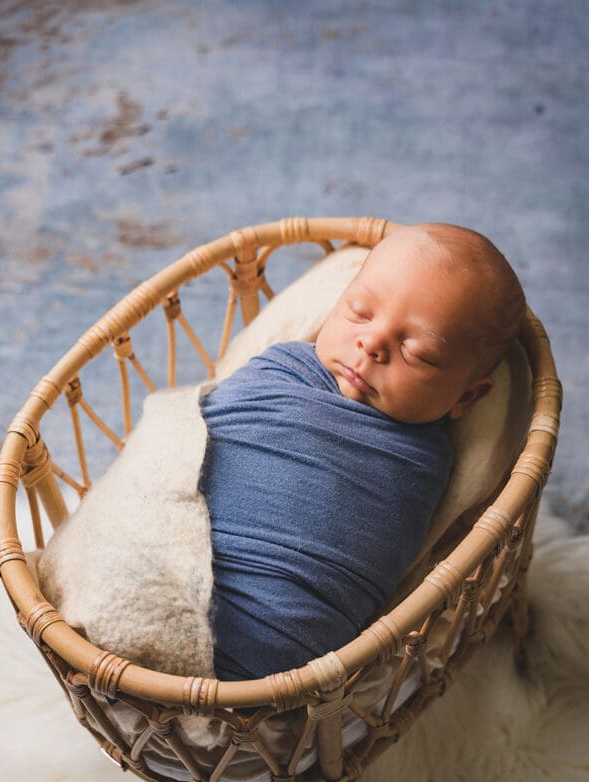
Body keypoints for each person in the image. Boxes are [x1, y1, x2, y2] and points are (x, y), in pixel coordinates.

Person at [200, 223, 526, 681]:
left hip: (275, 658)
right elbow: (186, 442)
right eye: (359, 312)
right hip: (179, 565)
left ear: (467, 397)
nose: (371, 344)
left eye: (418, 353)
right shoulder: (282, 368)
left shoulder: (418, 463)